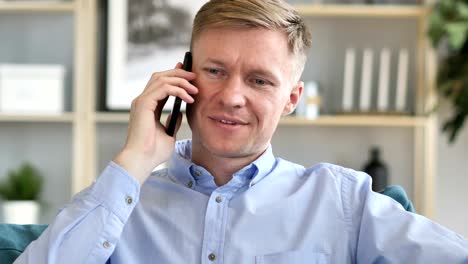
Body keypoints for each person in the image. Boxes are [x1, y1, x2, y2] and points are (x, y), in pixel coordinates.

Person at [16, 0, 468, 263]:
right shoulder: (119, 204)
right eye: (214, 70)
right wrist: (134, 160)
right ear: (182, 77)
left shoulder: (342, 200)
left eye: (259, 80)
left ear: (292, 98)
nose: (232, 96)